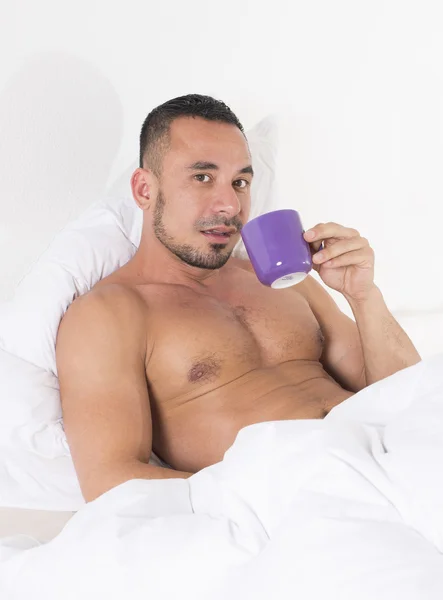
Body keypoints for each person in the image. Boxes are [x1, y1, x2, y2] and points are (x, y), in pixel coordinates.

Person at [55, 94, 421, 503]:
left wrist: (363, 296)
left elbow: (408, 396)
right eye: (202, 177)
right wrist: (278, 488)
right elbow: (110, 480)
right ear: (144, 189)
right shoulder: (110, 314)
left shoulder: (285, 281)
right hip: (299, 501)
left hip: (395, 463)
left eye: (240, 182)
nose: (230, 204)